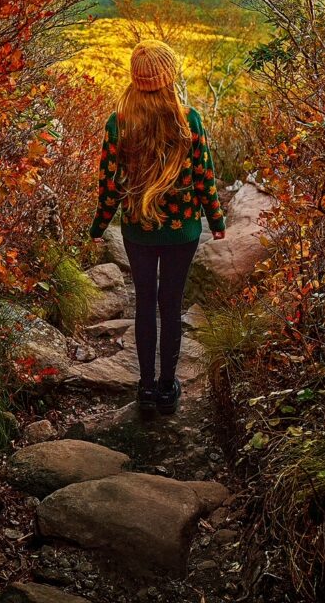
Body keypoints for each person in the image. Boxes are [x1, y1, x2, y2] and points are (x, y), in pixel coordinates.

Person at [89, 40, 226, 415]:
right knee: (171, 304)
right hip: (182, 230)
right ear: (169, 77)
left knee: (145, 304)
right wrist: (216, 220)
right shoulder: (188, 118)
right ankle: (169, 387)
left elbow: (109, 183)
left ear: (136, 78)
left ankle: (146, 388)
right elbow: (205, 176)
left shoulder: (119, 122)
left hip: (138, 230)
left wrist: (99, 225)